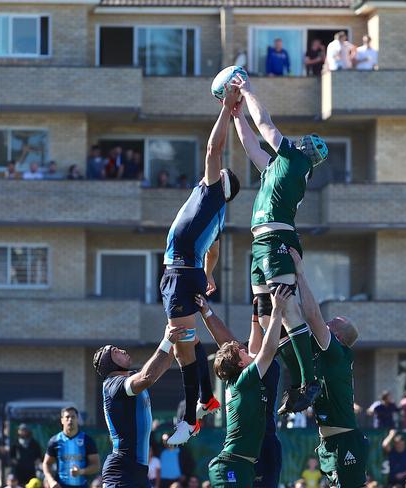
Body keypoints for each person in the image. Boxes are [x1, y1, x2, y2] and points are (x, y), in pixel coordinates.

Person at [232, 73, 328, 415]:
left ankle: (309, 379)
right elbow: (251, 145)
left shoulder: (295, 160)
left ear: (308, 154)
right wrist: (235, 113)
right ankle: (282, 375)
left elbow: (266, 123)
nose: (299, 141)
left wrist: (248, 91)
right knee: (263, 313)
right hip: (262, 243)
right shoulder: (278, 166)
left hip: (277, 239)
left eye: (306, 142)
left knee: (286, 308)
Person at [160, 83, 241, 445]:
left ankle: (191, 418)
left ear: (222, 185)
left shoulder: (212, 192)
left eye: (219, 173)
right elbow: (214, 251)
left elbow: (214, 147)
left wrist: (226, 107)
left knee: (180, 346)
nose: (214, 170)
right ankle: (207, 397)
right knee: (187, 344)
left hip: (179, 272)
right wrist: (208, 277)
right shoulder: (217, 212)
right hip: (184, 273)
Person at [291, 249, 369, 488]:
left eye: (331, 323)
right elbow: (298, 322)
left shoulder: (338, 353)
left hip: (346, 439)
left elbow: (313, 316)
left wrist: (300, 274)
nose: (325, 323)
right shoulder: (324, 352)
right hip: (329, 442)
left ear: (337, 336)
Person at [204, 286, 291, 487]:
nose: (243, 348)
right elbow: (266, 351)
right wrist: (277, 310)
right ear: (241, 364)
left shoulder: (242, 377)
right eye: (240, 351)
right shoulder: (246, 379)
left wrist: (255, 316)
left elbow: (253, 349)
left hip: (240, 463)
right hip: (231, 464)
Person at [92, 325, 186, 488]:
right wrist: (166, 341)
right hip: (122, 472)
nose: (121, 350)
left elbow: (162, 366)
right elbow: (147, 377)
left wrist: (172, 339)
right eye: (115, 351)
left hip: (138, 472)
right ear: (109, 363)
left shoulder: (129, 378)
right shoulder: (113, 385)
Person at [42, 408, 100, 488]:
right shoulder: (55, 441)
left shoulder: (87, 440)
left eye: (73, 417)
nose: (70, 420)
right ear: (62, 420)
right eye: (67, 417)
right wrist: (51, 481)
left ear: (77, 420)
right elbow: (46, 463)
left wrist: (81, 471)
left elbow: (96, 465)